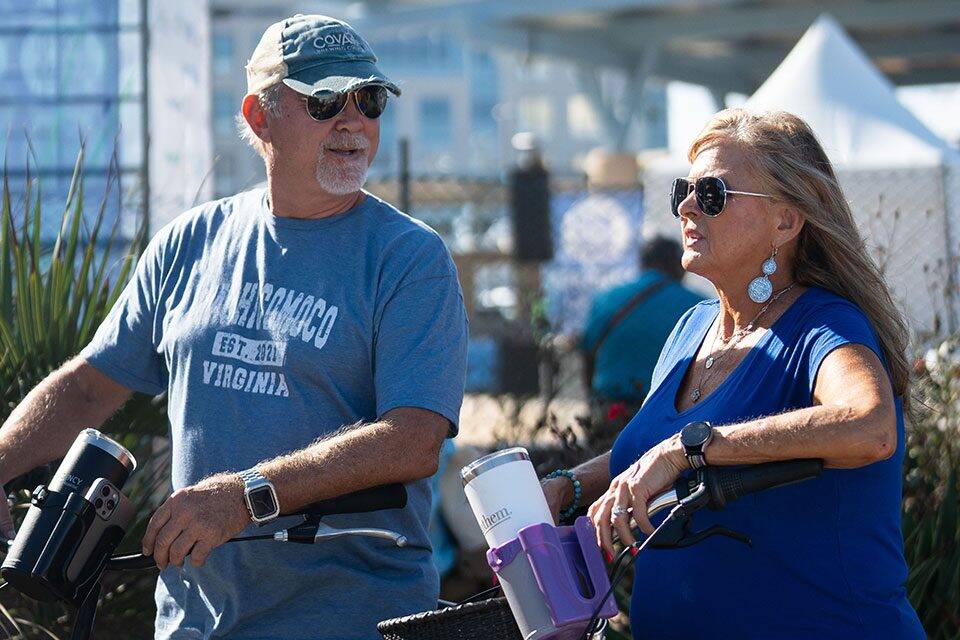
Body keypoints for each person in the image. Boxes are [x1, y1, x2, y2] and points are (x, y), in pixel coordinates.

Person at [0, 14, 467, 640]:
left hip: (351, 621)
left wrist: (248, 495)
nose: (353, 121)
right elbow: (88, 387)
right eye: (326, 100)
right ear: (259, 116)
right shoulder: (188, 243)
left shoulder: (409, 257)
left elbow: (414, 439)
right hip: (194, 623)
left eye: (370, 99)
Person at [542, 109, 924, 638]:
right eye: (685, 188)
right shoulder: (691, 327)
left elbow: (871, 428)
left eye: (713, 194)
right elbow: (649, 450)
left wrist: (687, 449)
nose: (686, 206)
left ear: (786, 222)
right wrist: (568, 488)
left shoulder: (824, 323)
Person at [581, 236, 703, 404]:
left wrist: (591, 400)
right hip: (669, 408)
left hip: (611, 407)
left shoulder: (606, 299)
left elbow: (587, 351)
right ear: (678, 264)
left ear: (643, 263)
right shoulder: (699, 306)